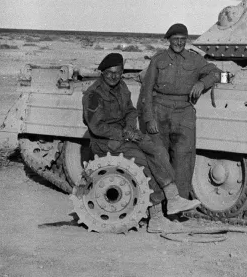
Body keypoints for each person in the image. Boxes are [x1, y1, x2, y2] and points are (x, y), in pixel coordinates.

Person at [82, 53, 201, 233]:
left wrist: (130, 128)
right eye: (110, 73)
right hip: (106, 141)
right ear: (102, 72)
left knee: (157, 150)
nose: (114, 76)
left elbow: (130, 111)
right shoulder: (93, 94)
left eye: (118, 72)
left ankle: (172, 197)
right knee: (144, 162)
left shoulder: (121, 86)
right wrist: (125, 133)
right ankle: (156, 218)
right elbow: (96, 127)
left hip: (125, 135)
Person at [140, 23, 221, 202]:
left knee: (183, 160)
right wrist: (149, 118)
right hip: (159, 110)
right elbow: (146, 91)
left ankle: (180, 205)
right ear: (169, 40)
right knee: (159, 159)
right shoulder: (158, 60)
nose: (179, 43)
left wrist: (202, 83)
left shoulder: (194, 60)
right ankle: (158, 206)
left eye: (183, 40)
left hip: (184, 113)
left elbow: (216, 72)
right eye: (176, 39)